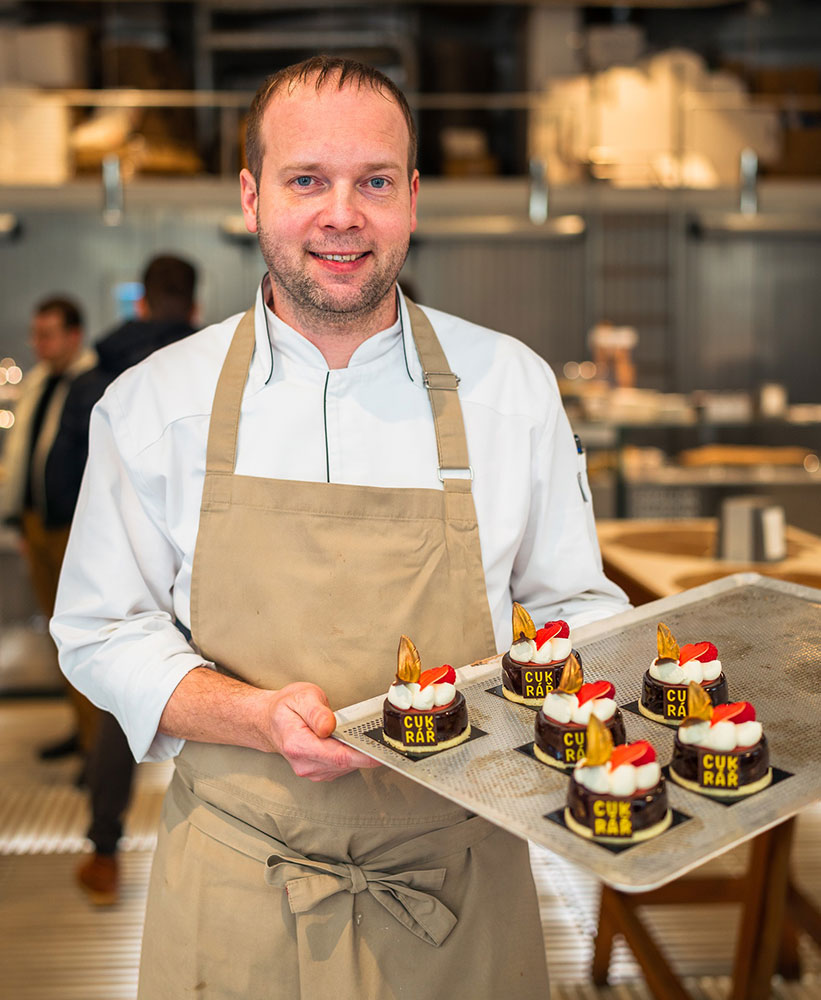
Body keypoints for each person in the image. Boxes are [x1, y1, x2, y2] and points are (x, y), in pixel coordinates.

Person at [52, 57, 629, 999]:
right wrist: (252, 717)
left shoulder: (510, 387)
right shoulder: (156, 403)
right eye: (307, 180)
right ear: (252, 196)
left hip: (462, 881)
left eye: (375, 182)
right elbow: (101, 629)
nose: (342, 214)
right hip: (238, 884)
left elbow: (574, 607)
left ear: (413, 197)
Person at [45, 255, 198, 904]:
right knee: (240, 696)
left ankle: (104, 850)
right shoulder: (218, 370)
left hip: (120, 558)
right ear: (194, 306)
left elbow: (64, 471)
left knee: (124, 699)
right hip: (205, 570)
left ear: (141, 303)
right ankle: (219, 851)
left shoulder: (100, 375)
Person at [0, 296, 97, 759]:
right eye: (35, 334)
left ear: (74, 336)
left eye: (48, 334)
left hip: (74, 528)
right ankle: (80, 729)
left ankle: (98, 746)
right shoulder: (39, 382)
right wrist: (19, 517)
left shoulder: (92, 383)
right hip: (38, 523)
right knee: (61, 635)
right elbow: (26, 455)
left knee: (85, 634)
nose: (38, 343)